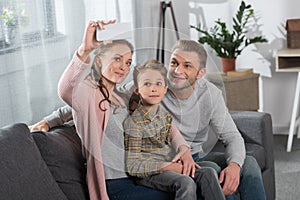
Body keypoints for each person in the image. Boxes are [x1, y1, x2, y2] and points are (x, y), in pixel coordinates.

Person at [30, 39, 266, 200]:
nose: (177, 71)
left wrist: (234, 165)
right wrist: (50, 121)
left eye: (187, 66)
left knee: (247, 166)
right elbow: (96, 99)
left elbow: (230, 136)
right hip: (156, 161)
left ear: (200, 73)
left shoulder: (209, 94)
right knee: (211, 170)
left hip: (190, 155)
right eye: (174, 62)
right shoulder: (148, 85)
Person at [54, 19, 200, 200]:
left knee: (195, 183)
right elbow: (66, 91)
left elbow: (164, 121)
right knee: (185, 189)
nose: (124, 67)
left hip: (139, 175)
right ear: (99, 61)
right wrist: (85, 50)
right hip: (114, 183)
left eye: (128, 62)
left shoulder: (121, 97)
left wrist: (183, 148)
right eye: (117, 59)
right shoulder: (89, 93)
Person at [124, 60, 225, 200]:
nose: (153, 88)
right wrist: (169, 167)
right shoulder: (134, 123)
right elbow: (133, 166)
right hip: (150, 173)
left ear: (165, 88)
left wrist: (183, 154)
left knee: (208, 172)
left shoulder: (164, 116)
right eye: (147, 84)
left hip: (171, 164)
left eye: (158, 84)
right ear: (137, 89)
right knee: (186, 182)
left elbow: (175, 137)